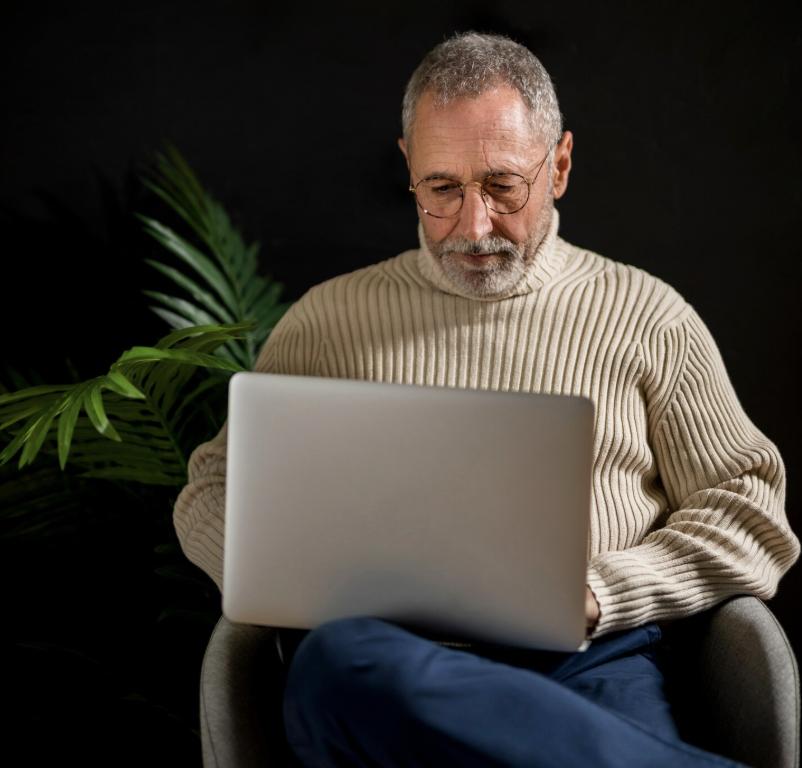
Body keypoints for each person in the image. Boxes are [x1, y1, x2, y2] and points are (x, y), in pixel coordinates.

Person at [173, 31, 799, 767]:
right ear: (408, 167)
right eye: (441, 189)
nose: (473, 228)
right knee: (338, 665)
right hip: (386, 664)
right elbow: (212, 488)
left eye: (502, 187)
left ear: (559, 165)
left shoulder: (648, 317)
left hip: (592, 660)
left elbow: (748, 510)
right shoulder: (326, 321)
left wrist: (598, 594)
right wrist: (290, 582)